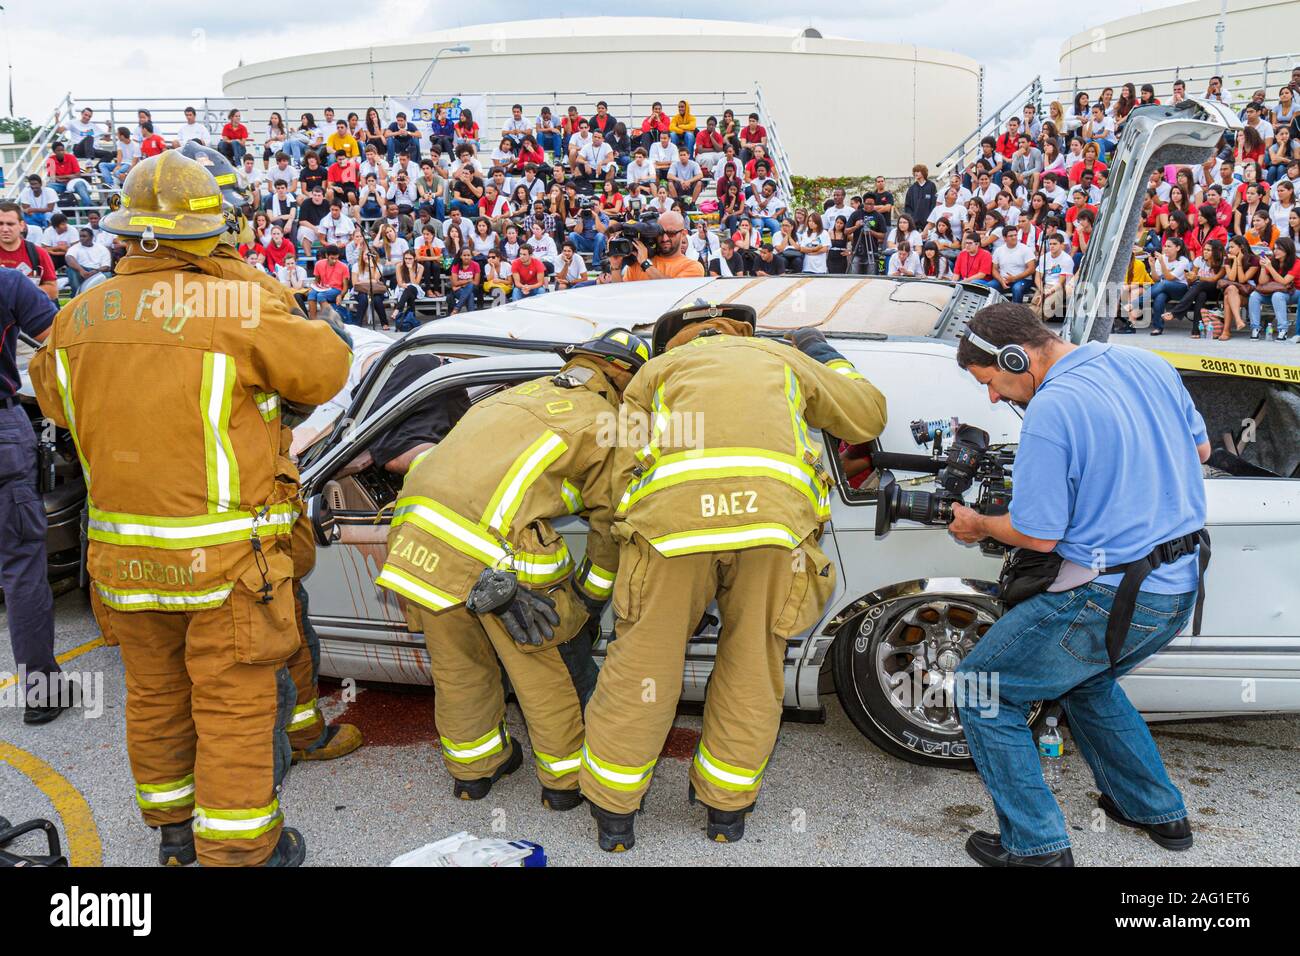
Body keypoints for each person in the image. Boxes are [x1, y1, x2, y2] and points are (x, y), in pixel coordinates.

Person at [29, 150, 351, 868]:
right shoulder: (233, 304)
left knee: (154, 696)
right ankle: (240, 852)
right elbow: (326, 367)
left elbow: (53, 401)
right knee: (233, 704)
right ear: (212, 230)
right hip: (224, 567)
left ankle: (174, 835)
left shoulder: (76, 318)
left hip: (125, 564)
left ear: (127, 231)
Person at [579, 306, 887, 851]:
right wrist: (825, 355)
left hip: (672, 532)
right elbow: (868, 416)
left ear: (672, 342)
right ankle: (726, 809)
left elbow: (617, 476)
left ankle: (614, 813)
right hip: (773, 530)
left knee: (644, 666)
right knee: (752, 662)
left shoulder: (654, 374)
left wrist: (618, 559)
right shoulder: (781, 358)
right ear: (741, 332)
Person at [951, 303, 1210, 867]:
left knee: (982, 687)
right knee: (1086, 681)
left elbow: (1037, 535)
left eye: (990, 381)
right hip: (1179, 584)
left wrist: (978, 525)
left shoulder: (1052, 408)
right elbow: (1199, 451)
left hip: (1109, 596)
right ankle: (1155, 811)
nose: (992, 397)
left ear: (1014, 358)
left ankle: (1036, 848)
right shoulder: (1145, 362)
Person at [376, 330, 650, 808]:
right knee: (546, 672)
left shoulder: (508, 396)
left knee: (460, 668)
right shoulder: (609, 422)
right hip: (501, 567)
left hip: (418, 547)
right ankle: (565, 784)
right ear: (624, 379)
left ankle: (475, 773)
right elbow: (610, 523)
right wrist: (587, 600)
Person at [0, 267, 63, 724]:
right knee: (21, 567)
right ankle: (42, 693)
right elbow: (63, 341)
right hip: (3, 430)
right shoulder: (6, 282)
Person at [604, 210, 705, 282]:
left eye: (671, 233)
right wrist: (616, 267)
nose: (665, 238)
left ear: (683, 234)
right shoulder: (639, 262)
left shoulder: (693, 267)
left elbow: (673, 289)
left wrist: (646, 264)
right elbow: (622, 295)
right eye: (660, 233)